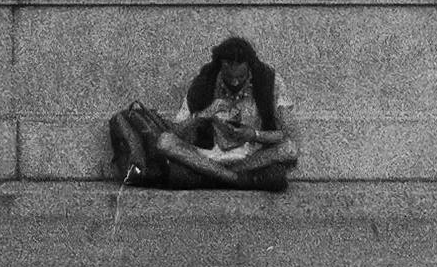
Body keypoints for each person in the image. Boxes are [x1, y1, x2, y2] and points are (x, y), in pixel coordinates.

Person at [109, 34, 299, 192]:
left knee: (289, 149)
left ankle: (213, 178)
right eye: (228, 77)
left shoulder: (271, 82)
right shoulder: (203, 83)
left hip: (250, 158)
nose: (234, 83)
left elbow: (287, 133)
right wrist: (204, 115)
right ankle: (235, 180)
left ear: (250, 68)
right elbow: (176, 133)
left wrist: (254, 134)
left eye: (240, 77)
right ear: (220, 67)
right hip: (207, 157)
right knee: (165, 142)